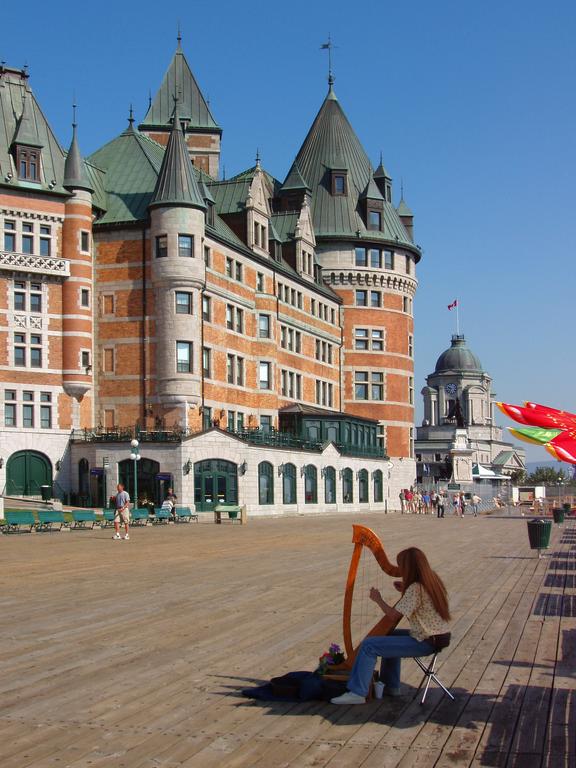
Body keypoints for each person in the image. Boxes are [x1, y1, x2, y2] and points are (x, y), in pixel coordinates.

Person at [331, 547, 451, 704]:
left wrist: (378, 599)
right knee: (388, 634)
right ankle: (390, 686)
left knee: (369, 645)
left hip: (426, 642)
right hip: (437, 636)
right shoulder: (431, 580)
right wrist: (405, 590)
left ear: (409, 567)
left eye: (401, 565)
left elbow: (394, 615)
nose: (398, 569)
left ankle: (357, 692)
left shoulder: (416, 588)